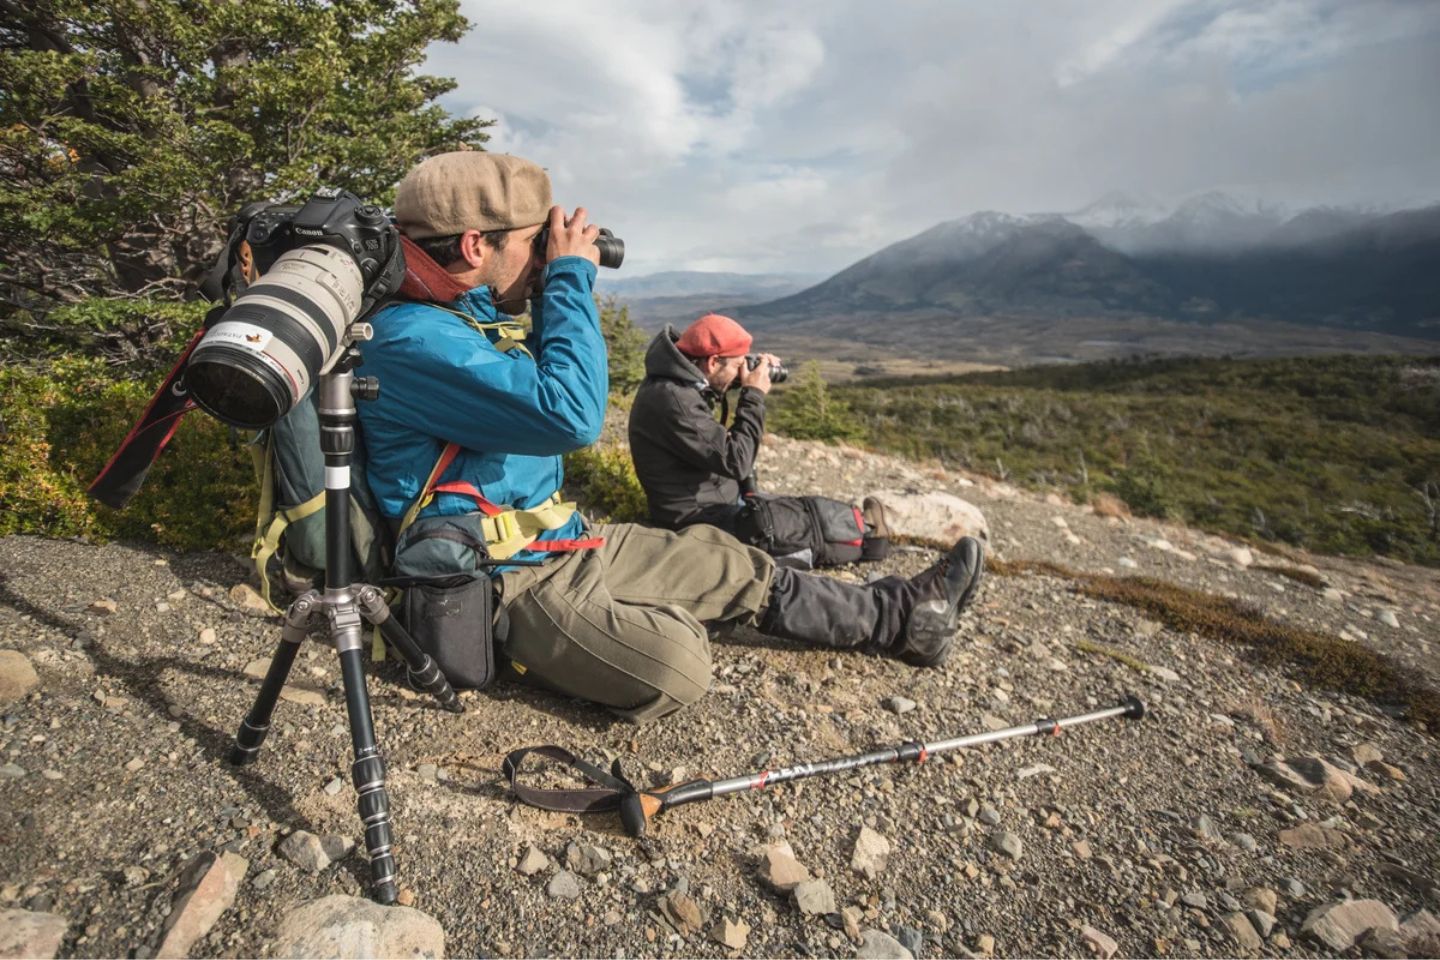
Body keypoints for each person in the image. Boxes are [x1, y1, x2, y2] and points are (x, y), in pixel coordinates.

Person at [356, 151, 985, 724]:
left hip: (553, 539)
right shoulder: (415, 339)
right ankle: (590, 634)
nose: (546, 255)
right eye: (534, 243)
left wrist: (547, 283)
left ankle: (905, 618)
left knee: (734, 563)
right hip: (498, 579)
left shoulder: (466, 320)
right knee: (679, 663)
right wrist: (570, 276)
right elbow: (571, 415)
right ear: (473, 245)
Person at [628, 314, 890, 568]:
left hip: (718, 497)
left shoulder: (678, 379)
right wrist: (753, 394)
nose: (741, 371)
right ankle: (869, 542)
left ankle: (858, 524)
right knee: (782, 529)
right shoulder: (674, 401)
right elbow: (737, 461)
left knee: (794, 508)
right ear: (712, 362)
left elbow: (710, 400)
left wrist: (744, 370)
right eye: (736, 364)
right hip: (695, 521)